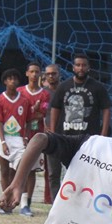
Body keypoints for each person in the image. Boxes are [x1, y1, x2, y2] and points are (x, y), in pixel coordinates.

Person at [0, 68, 33, 215]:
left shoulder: (24, 100)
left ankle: (24, 205)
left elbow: (28, 121)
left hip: (18, 139)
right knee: (4, 172)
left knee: (22, 172)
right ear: (4, 81)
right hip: (4, 138)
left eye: (15, 78)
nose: (13, 81)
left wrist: (26, 137)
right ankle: (5, 203)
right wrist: (3, 142)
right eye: (9, 79)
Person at [49, 53, 111, 139]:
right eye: (78, 65)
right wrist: (52, 132)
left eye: (84, 65)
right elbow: (55, 108)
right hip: (65, 137)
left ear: (89, 67)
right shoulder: (63, 86)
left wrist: (103, 134)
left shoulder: (98, 87)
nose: (81, 68)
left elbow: (106, 110)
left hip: (89, 139)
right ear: (73, 67)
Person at [19, 62, 52, 210]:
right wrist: (33, 113)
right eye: (31, 71)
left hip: (37, 134)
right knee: (17, 168)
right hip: (20, 135)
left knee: (33, 169)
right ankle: (16, 198)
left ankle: (28, 202)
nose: (34, 74)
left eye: (37, 72)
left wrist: (33, 113)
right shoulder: (20, 92)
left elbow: (43, 113)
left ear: (40, 74)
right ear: (26, 73)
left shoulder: (45, 94)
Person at [42, 63, 63, 203]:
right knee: (52, 172)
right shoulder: (43, 93)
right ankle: (54, 202)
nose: (51, 76)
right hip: (50, 136)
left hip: (67, 134)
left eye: (53, 73)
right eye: (48, 74)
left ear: (58, 75)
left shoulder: (65, 90)